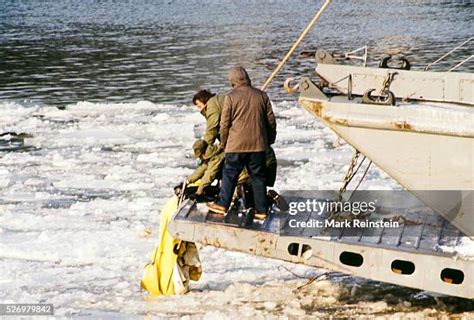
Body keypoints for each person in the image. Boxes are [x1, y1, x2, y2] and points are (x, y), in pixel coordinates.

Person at [207, 66, 277, 218]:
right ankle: (261, 210)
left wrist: (225, 143)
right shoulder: (262, 95)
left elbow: (224, 124)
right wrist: (269, 139)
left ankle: (223, 205)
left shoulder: (230, 97)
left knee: (230, 174)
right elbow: (271, 121)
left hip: (236, 145)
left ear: (232, 80)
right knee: (257, 176)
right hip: (258, 145)